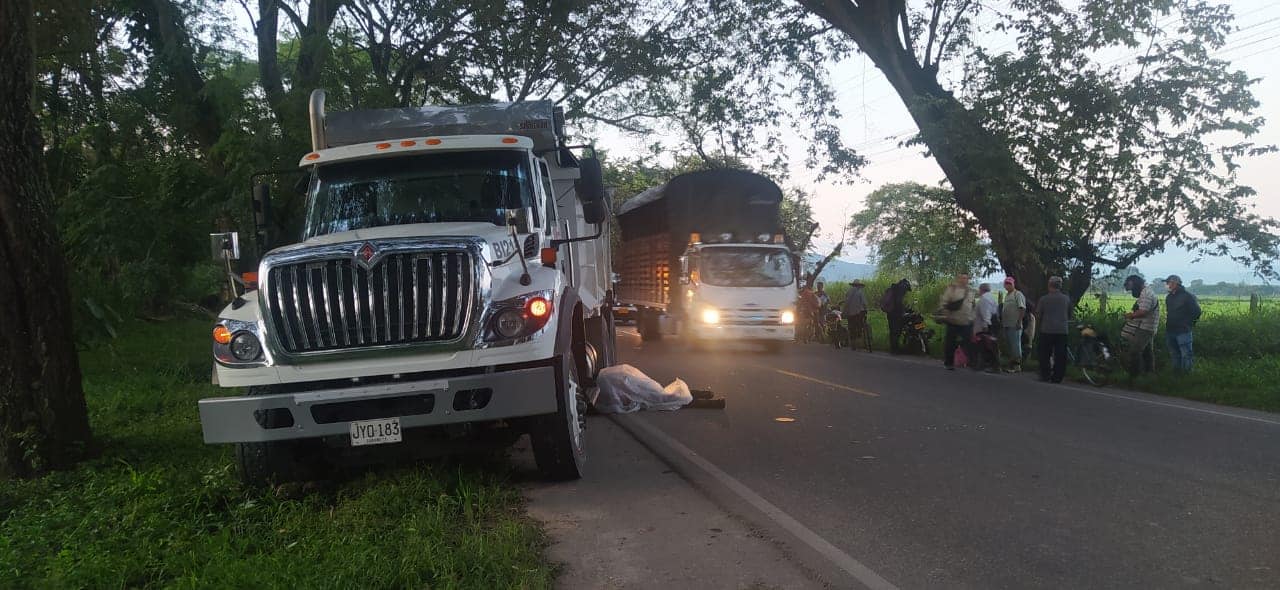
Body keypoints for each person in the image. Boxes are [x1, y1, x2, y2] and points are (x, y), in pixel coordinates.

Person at [1120, 275, 1159, 376]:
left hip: (1145, 328)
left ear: (1136, 284)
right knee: (1147, 353)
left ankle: (1135, 375)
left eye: (1132, 288)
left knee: (1135, 351)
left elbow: (1143, 312)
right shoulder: (1145, 292)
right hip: (1146, 327)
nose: (1132, 291)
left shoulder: (1146, 294)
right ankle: (1149, 374)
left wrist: (1130, 315)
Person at [1161, 275, 1202, 372]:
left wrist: (1189, 323)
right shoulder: (1169, 297)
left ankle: (1187, 374)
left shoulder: (1187, 296)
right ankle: (1177, 373)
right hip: (1170, 330)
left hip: (1183, 330)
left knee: (1186, 354)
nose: (1167, 285)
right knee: (1174, 354)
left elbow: (1197, 312)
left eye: (1168, 283)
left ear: (1175, 283)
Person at [1036, 276, 1071, 383]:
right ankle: (1058, 377)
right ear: (1060, 286)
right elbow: (1069, 314)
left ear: (1049, 285)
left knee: (1044, 354)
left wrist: (1039, 325)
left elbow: (1038, 314)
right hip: (1062, 330)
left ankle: (1045, 375)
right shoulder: (1066, 299)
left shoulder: (1044, 299)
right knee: (1061, 354)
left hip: (1047, 329)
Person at [938, 273, 976, 370]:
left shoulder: (971, 291)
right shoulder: (952, 289)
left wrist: (972, 318)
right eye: (962, 278)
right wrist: (947, 315)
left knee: (969, 342)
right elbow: (944, 304)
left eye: (966, 278)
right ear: (958, 279)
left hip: (966, 321)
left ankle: (972, 362)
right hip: (953, 320)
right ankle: (949, 363)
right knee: (950, 343)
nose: (964, 280)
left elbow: (972, 306)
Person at [999, 277, 1027, 373]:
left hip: (1015, 324)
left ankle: (1017, 365)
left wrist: (1019, 321)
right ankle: (1011, 364)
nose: (1008, 285)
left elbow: (1022, 308)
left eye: (1010, 284)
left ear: (1013, 284)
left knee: (1015, 345)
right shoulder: (1007, 296)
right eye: (1006, 283)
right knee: (1010, 345)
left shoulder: (1017, 294)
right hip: (1006, 324)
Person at [972, 283, 1000, 372]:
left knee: (985, 345)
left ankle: (990, 365)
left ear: (981, 290)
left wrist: (985, 325)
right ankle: (985, 364)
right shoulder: (991, 298)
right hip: (992, 324)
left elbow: (985, 313)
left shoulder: (984, 299)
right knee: (988, 345)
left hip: (985, 325)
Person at [883, 278, 912, 354]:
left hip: (890, 312)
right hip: (895, 313)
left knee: (893, 331)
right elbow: (898, 302)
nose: (906, 292)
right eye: (906, 290)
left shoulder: (893, 289)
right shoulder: (900, 290)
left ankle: (893, 349)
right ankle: (895, 349)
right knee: (896, 331)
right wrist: (903, 310)